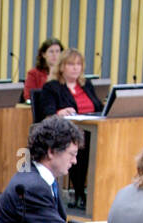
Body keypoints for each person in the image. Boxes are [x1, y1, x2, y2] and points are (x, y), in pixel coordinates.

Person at [39, 49, 100, 208]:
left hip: (94, 130)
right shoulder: (52, 87)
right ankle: (80, 193)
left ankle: (97, 194)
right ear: (61, 67)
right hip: (67, 133)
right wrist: (60, 112)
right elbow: (47, 112)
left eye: (78, 64)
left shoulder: (86, 85)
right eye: (71, 64)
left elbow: (99, 107)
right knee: (80, 145)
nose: (75, 68)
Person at [23, 38, 62, 103]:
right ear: (44, 54)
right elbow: (28, 96)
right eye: (51, 52)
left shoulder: (65, 73)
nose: (55, 55)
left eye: (57, 51)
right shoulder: (34, 73)